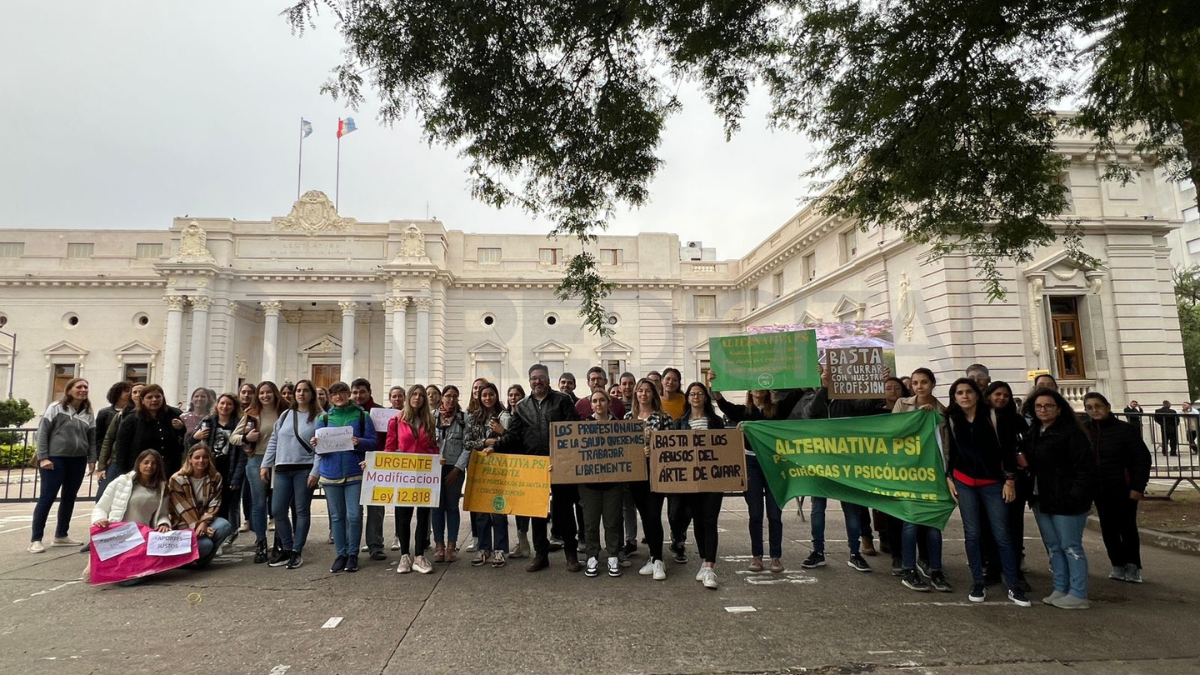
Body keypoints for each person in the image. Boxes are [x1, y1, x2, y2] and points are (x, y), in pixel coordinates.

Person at [943, 378, 1031, 607]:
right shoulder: (952, 420)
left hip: (993, 482)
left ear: (976, 394)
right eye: (959, 392)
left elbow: (1007, 450)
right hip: (963, 482)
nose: (964, 396)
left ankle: (1012, 584)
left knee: (1002, 534)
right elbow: (949, 451)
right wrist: (948, 477)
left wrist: (1010, 480)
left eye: (968, 392)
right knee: (972, 534)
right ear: (954, 397)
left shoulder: (993, 417)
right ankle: (977, 582)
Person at [495, 363, 583, 572]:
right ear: (530, 381)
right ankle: (541, 555)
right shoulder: (523, 406)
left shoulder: (562, 400)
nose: (538, 381)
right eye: (534, 378)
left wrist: (565, 459)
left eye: (541, 377)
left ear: (548, 379)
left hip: (559, 465)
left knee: (564, 512)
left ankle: (571, 555)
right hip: (533, 466)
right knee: (537, 513)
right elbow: (515, 436)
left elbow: (573, 430)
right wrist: (495, 446)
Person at [1024, 387, 1097, 609]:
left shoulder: (1072, 433)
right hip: (1041, 497)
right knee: (1054, 546)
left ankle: (1078, 592)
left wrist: (1076, 496)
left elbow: (1085, 468)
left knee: (1071, 546)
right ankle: (1060, 587)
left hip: (1067, 499)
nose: (1043, 410)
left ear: (1058, 409)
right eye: (1038, 406)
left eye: (1048, 406)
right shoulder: (1035, 432)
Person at [709, 370, 788, 574]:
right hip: (751, 464)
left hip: (773, 464)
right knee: (755, 513)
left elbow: (796, 396)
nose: (757, 388)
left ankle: (776, 557)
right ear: (749, 390)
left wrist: (813, 380)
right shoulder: (743, 412)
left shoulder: (778, 411)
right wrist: (713, 382)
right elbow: (723, 405)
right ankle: (757, 556)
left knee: (775, 513)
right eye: (753, 385)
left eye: (761, 384)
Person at [892, 368, 951, 592]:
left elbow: (945, 442)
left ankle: (936, 569)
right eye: (915, 383)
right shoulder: (902, 404)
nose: (919, 386)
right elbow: (895, 431)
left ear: (932, 384)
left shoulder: (942, 410)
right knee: (910, 523)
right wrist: (917, 415)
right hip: (908, 472)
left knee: (933, 525)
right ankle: (909, 569)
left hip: (933, 474)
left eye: (924, 382)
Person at [1083, 392, 1151, 583]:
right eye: (1089, 407)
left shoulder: (1125, 430)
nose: (1094, 410)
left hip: (1124, 488)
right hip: (1099, 490)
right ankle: (1117, 564)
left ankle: (1133, 566)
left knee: (1127, 527)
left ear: (1108, 407)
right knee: (1108, 528)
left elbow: (1142, 458)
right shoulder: (1086, 430)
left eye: (1098, 406)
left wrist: (1138, 486)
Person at [313, 381, 377, 573]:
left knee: (355, 516)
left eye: (342, 392)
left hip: (354, 473)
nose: (338, 396)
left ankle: (353, 554)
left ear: (348, 394)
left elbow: (373, 442)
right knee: (337, 517)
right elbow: (317, 450)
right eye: (334, 394)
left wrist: (359, 442)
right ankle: (340, 554)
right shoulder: (323, 419)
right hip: (331, 474)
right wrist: (315, 443)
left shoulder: (362, 416)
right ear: (331, 397)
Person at [29, 377, 95, 553]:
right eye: (79, 387)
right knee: (47, 498)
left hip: (78, 459)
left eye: (86, 387)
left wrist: (91, 460)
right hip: (55, 459)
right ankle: (36, 539)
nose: (83, 390)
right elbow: (42, 433)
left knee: (69, 497)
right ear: (69, 390)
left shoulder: (88, 411)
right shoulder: (56, 407)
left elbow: (92, 438)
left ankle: (61, 535)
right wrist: (43, 457)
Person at [90, 449, 172, 585]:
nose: (149, 466)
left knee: (128, 580)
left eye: (154, 463)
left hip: (143, 540)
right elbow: (101, 507)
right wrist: (100, 519)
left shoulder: (162, 488)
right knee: (124, 580)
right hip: (120, 538)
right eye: (146, 462)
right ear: (138, 463)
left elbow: (163, 514)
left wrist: (164, 524)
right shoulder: (121, 482)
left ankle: (147, 569)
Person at [262, 380, 320, 570]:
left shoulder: (320, 417)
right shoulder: (286, 415)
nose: (301, 394)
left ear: (312, 394)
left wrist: (315, 471)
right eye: (298, 391)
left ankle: (297, 550)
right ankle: (286, 548)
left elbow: (322, 447)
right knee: (278, 510)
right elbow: (274, 440)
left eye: (305, 391)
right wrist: (265, 464)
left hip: (304, 469)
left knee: (301, 510)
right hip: (282, 468)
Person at [979, 381, 1032, 591]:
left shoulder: (1016, 420)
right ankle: (992, 568)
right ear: (989, 395)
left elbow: (1021, 447)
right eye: (997, 394)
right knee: (988, 527)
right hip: (987, 480)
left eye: (1005, 395)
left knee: (1013, 527)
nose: (1001, 398)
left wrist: (1012, 476)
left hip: (1014, 480)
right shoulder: (980, 417)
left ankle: (1015, 571)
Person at [675, 381, 726, 589]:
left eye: (699, 393)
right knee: (697, 520)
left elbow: (725, 447)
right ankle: (704, 560)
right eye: (692, 394)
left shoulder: (716, 421)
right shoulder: (679, 423)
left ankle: (710, 566)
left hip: (714, 479)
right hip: (691, 480)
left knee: (710, 519)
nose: (696, 397)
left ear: (706, 397)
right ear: (687, 398)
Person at [386, 384, 439, 574]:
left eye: (421, 395)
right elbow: (390, 448)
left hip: (424, 476)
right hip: (404, 475)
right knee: (403, 515)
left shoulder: (429, 420)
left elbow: (433, 447)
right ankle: (404, 556)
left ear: (425, 399)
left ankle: (419, 556)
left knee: (424, 516)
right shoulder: (396, 420)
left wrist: (438, 461)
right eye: (414, 394)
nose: (417, 397)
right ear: (408, 398)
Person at [625, 378, 673, 580]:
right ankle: (652, 557)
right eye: (640, 391)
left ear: (654, 394)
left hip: (656, 471)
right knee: (644, 515)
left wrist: (653, 446)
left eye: (647, 391)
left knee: (653, 514)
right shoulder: (628, 417)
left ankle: (659, 560)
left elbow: (671, 446)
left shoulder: (663, 418)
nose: (643, 394)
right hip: (635, 473)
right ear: (636, 394)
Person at [231, 381, 284, 564]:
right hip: (257, 460)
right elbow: (234, 437)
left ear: (275, 393)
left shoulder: (284, 411)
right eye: (262, 393)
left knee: (278, 505)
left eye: (268, 392)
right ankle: (261, 542)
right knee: (258, 504)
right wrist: (247, 437)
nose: (265, 396)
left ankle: (279, 541)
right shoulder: (251, 413)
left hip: (280, 461)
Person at [577, 390, 625, 578]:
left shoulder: (619, 426)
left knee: (612, 521)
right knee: (590, 523)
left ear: (608, 403)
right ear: (591, 405)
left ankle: (612, 555)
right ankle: (592, 556)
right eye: (595, 401)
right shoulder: (582, 426)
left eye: (602, 400)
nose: (598, 404)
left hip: (613, 483)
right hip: (589, 484)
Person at [193, 392, 245, 552]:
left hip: (230, 467)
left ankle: (231, 532)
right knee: (213, 503)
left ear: (234, 407)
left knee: (232, 502)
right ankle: (217, 534)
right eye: (222, 403)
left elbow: (242, 454)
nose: (225, 407)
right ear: (217, 405)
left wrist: (237, 476)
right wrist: (195, 436)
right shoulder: (208, 422)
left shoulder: (238, 424)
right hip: (210, 468)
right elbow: (193, 445)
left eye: (229, 404)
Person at [465, 382, 510, 567]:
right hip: (480, 468)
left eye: (491, 394)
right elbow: (467, 442)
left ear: (496, 395)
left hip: (500, 468)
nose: (487, 398)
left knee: (498, 509)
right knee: (481, 510)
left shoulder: (505, 416)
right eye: (484, 395)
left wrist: (500, 436)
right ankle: (483, 548)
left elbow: (512, 440)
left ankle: (500, 550)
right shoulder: (474, 417)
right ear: (479, 397)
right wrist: (485, 441)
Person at [168, 445, 233, 569]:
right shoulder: (177, 479)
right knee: (206, 544)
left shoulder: (215, 477)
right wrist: (198, 525)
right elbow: (182, 509)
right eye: (197, 457)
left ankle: (202, 561)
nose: (201, 461)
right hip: (182, 524)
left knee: (224, 526)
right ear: (190, 459)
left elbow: (214, 503)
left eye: (205, 457)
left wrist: (204, 523)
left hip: (205, 521)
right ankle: (185, 561)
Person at [352, 378, 391, 562]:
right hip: (353, 464)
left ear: (369, 392)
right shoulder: (347, 412)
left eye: (362, 392)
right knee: (354, 509)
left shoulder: (381, 412)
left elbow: (388, 438)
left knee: (376, 508)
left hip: (376, 465)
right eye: (355, 392)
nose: (358, 395)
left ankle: (376, 545)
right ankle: (352, 546)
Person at [116, 384, 186, 476]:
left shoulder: (173, 415)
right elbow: (122, 448)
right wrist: (124, 473)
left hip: (168, 471)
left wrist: (181, 428)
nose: (154, 400)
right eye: (149, 397)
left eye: (158, 397)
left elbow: (184, 440)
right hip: (141, 472)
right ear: (142, 400)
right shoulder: (131, 419)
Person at [432, 384, 469, 563]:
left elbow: (468, 446)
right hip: (434, 469)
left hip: (455, 469)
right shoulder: (432, 417)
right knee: (436, 507)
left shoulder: (464, 418)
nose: (451, 399)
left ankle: (452, 545)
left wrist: (457, 468)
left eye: (455, 396)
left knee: (452, 507)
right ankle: (439, 545)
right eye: (448, 396)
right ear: (442, 397)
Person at [505, 383, 532, 557]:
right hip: (509, 465)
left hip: (526, 464)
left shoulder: (527, 415)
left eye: (517, 394)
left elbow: (517, 439)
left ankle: (525, 543)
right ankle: (521, 542)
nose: (513, 398)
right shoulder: (504, 415)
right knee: (514, 505)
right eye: (510, 395)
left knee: (526, 505)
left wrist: (502, 434)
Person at [92, 382, 132, 502]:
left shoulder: (132, 412)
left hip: (125, 457)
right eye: (126, 391)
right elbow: (101, 438)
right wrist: (102, 460)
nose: (129, 393)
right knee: (104, 492)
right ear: (117, 393)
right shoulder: (105, 413)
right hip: (110, 457)